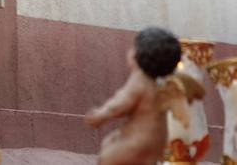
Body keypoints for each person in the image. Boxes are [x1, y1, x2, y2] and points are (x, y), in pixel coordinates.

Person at [86, 27, 202, 165]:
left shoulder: (139, 81)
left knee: (107, 156)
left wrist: (101, 115)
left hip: (137, 143)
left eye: (132, 48)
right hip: (156, 144)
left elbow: (120, 104)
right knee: (112, 140)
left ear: (137, 55)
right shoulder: (158, 86)